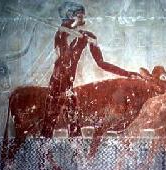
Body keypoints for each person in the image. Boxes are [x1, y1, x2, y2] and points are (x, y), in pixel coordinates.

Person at [41, 2, 140, 138]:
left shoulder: (88, 36)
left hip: (69, 86)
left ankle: (79, 157)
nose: (82, 18)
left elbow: (101, 63)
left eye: (82, 15)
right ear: (70, 17)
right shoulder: (61, 33)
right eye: (78, 16)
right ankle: (43, 156)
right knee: (48, 126)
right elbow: (64, 59)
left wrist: (127, 73)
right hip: (56, 84)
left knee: (74, 127)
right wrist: (70, 36)